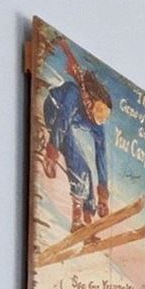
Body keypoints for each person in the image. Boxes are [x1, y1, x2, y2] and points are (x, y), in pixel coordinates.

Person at [35, 45, 115, 232]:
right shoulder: (74, 93)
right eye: (99, 111)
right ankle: (78, 220)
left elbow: (101, 155)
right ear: (91, 101)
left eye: (104, 116)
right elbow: (62, 119)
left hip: (64, 123)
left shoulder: (97, 124)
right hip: (54, 110)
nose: (99, 119)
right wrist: (52, 152)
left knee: (86, 170)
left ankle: (88, 216)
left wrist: (103, 194)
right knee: (80, 168)